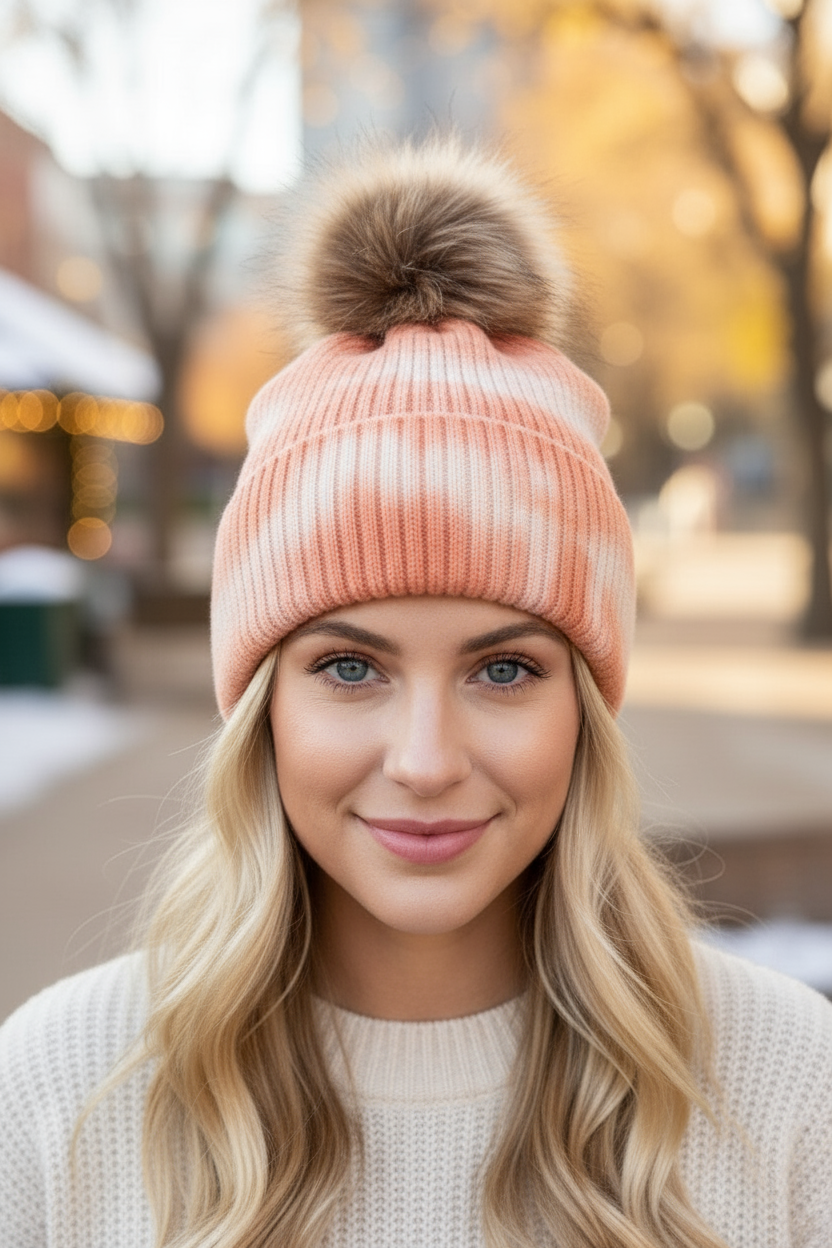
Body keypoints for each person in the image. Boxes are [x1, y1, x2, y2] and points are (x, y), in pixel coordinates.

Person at [1, 136, 831, 1248]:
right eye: (349, 667)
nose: (427, 761)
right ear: (263, 710)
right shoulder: (58, 1097)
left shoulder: (784, 1090)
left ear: (585, 710)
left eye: (504, 669)